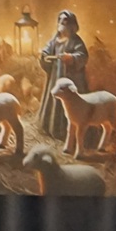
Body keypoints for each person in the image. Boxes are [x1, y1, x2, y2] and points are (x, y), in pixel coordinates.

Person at [36, 10, 89, 142]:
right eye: (60, 20)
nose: (61, 23)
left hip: (71, 78)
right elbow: (46, 51)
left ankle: (67, 133)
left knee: (70, 103)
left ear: (71, 24)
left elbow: (83, 56)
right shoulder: (54, 40)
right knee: (55, 98)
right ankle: (52, 128)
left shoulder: (76, 41)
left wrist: (71, 58)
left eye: (65, 21)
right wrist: (44, 56)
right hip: (55, 76)